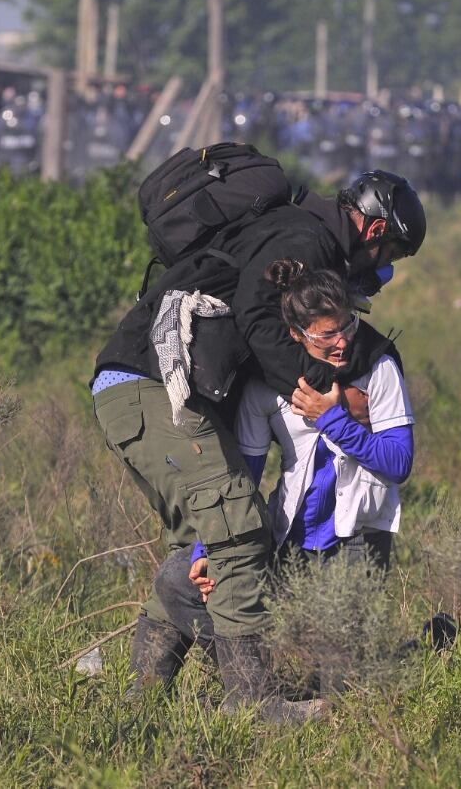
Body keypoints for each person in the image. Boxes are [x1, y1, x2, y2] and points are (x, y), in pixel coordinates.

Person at [93, 170, 426, 721]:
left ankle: (140, 703)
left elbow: (398, 461)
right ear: (370, 228)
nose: (387, 269)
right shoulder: (305, 241)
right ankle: (253, 704)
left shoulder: (307, 250)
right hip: (148, 384)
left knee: (212, 541)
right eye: (390, 250)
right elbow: (253, 311)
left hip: (148, 386)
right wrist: (330, 399)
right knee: (236, 528)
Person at [150, 265, 413, 682]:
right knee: (176, 579)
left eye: (347, 326)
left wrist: (333, 419)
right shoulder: (266, 390)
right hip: (289, 544)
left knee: (346, 685)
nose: (342, 341)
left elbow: (399, 463)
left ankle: (417, 649)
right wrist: (208, 548)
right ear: (296, 335)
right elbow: (245, 476)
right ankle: (259, 682)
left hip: (356, 544)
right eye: (327, 334)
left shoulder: (378, 371)